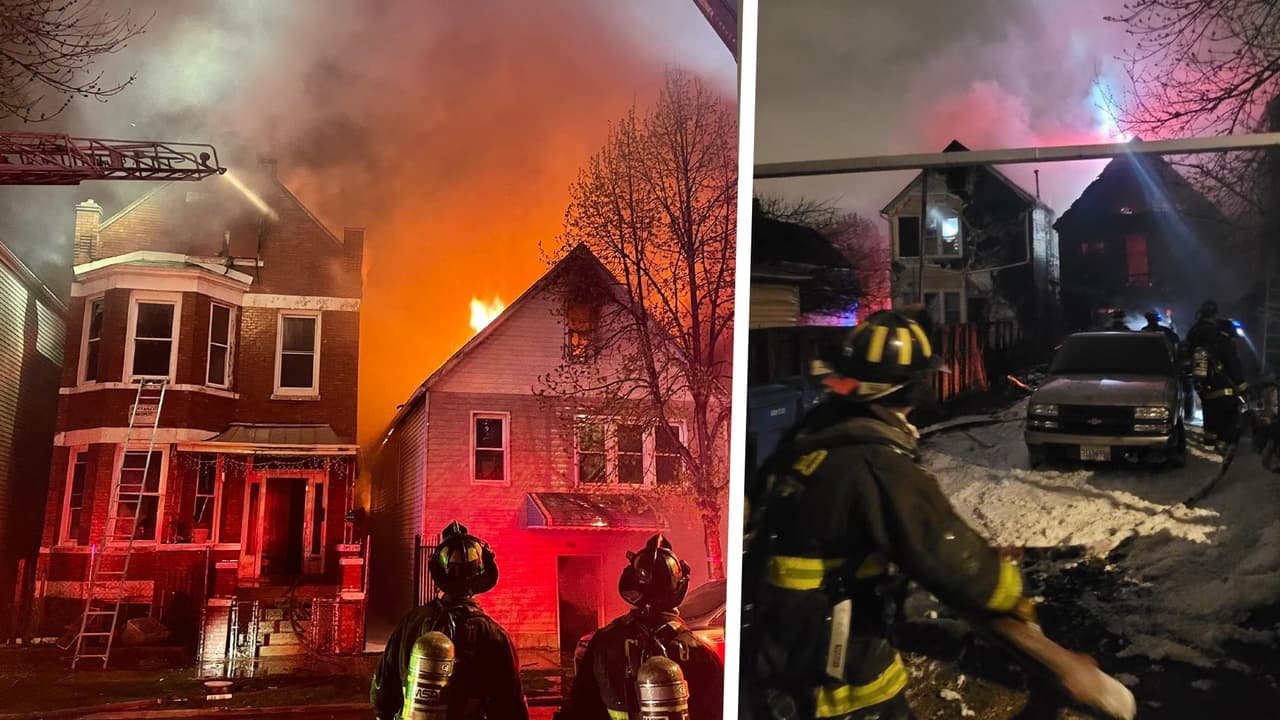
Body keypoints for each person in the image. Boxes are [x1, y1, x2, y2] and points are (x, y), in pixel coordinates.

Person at [741, 310, 1084, 719]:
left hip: (779, 662)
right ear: (912, 389)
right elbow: (951, 555)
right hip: (839, 684)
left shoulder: (808, 442)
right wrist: (1011, 596)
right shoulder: (876, 465)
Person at [371, 521, 529, 720]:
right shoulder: (493, 635)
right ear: (481, 575)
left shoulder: (411, 623)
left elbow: (382, 692)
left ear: (438, 572)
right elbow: (511, 708)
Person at [556, 534, 724, 720]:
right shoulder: (700, 652)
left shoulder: (603, 643)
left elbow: (581, 709)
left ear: (630, 585)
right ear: (680, 589)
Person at [1185, 299, 1247, 452]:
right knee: (1228, 416)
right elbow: (1233, 363)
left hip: (1204, 386)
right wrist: (1242, 386)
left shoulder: (1194, 332)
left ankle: (1209, 440)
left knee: (1210, 413)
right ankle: (1222, 445)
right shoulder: (1221, 338)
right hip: (1224, 387)